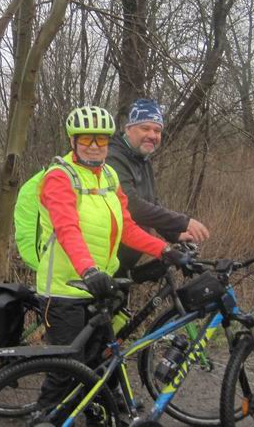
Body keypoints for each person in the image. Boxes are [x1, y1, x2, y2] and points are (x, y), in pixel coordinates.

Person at [35, 105, 186, 411]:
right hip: (65, 288)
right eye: (87, 140)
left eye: (101, 141)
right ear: (73, 141)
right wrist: (88, 270)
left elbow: (126, 226)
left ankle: (97, 412)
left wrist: (163, 249)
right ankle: (44, 416)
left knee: (101, 359)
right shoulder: (59, 177)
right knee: (68, 368)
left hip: (102, 286)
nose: (94, 147)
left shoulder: (109, 176)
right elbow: (67, 229)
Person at [105, 98, 211, 278]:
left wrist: (174, 234)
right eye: (145, 128)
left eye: (157, 130)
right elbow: (132, 206)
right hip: (105, 260)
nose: (152, 135)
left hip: (125, 260)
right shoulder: (113, 158)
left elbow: (152, 202)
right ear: (128, 129)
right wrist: (184, 222)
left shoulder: (141, 159)